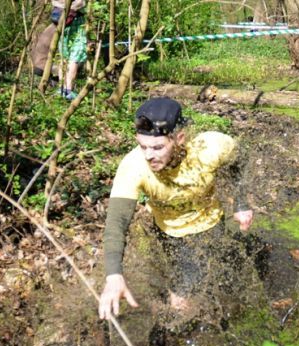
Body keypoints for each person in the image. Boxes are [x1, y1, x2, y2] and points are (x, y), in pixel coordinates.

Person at [98, 97, 254, 321]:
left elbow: (240, 159)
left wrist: (241, 204)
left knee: (209, 281)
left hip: (211, 222)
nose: (149, 155)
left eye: (158, 147)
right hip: (169, 231)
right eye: (143, 146)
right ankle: (174, 321)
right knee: (180, 294)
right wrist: (113, 275)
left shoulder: (210, 148)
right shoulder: (134, 166)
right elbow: (116, 223)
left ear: (179, 138)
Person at [52, 0, 87, 100]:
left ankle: (62, 88)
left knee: (65, 55)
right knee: (74, 57)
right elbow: (80, 3)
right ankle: (67, 90)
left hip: (60, 20)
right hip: (74, 20)